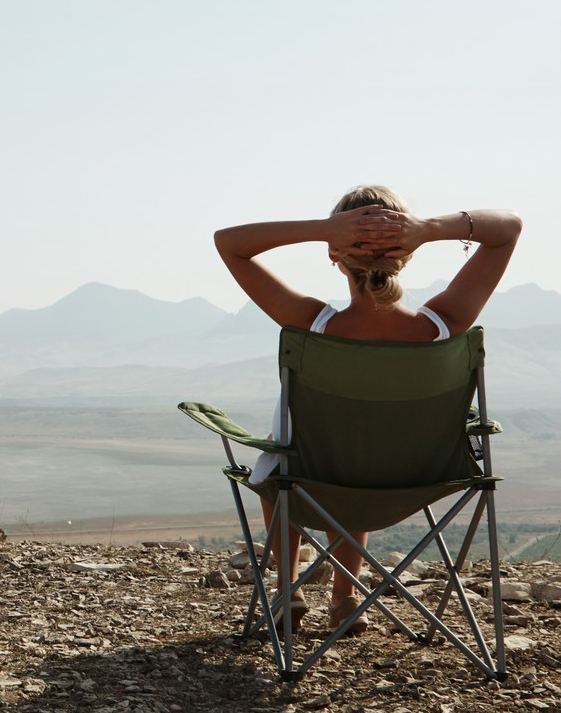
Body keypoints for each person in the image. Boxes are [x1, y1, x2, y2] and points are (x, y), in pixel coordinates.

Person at [212, 186, 522, 629]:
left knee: (286, 464)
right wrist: (430, 229)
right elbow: (508, 227)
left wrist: (324, 230)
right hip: (412, 483)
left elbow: (229, 243)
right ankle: (345, 599)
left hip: (310, 484)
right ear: (408, 255)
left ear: (335, 257)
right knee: (366, 457)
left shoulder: (311, 325)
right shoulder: (446, 325)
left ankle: (288, 591)